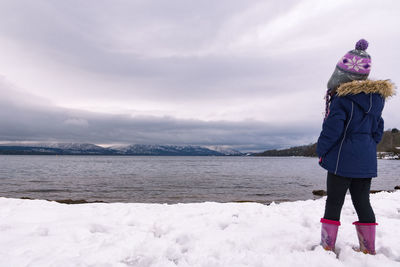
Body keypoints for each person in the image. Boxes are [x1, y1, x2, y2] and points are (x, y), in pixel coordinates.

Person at [316, 39, 395, 255]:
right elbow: (378, 130)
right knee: (363, 202)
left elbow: (332, 130)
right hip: (366, 160)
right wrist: (366, 146)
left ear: (342, 76)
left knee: (334, 202)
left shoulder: (342, 99)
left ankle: (326, 247)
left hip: (342, 160)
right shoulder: (376, 101)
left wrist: (321, 150)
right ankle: (368, 249)